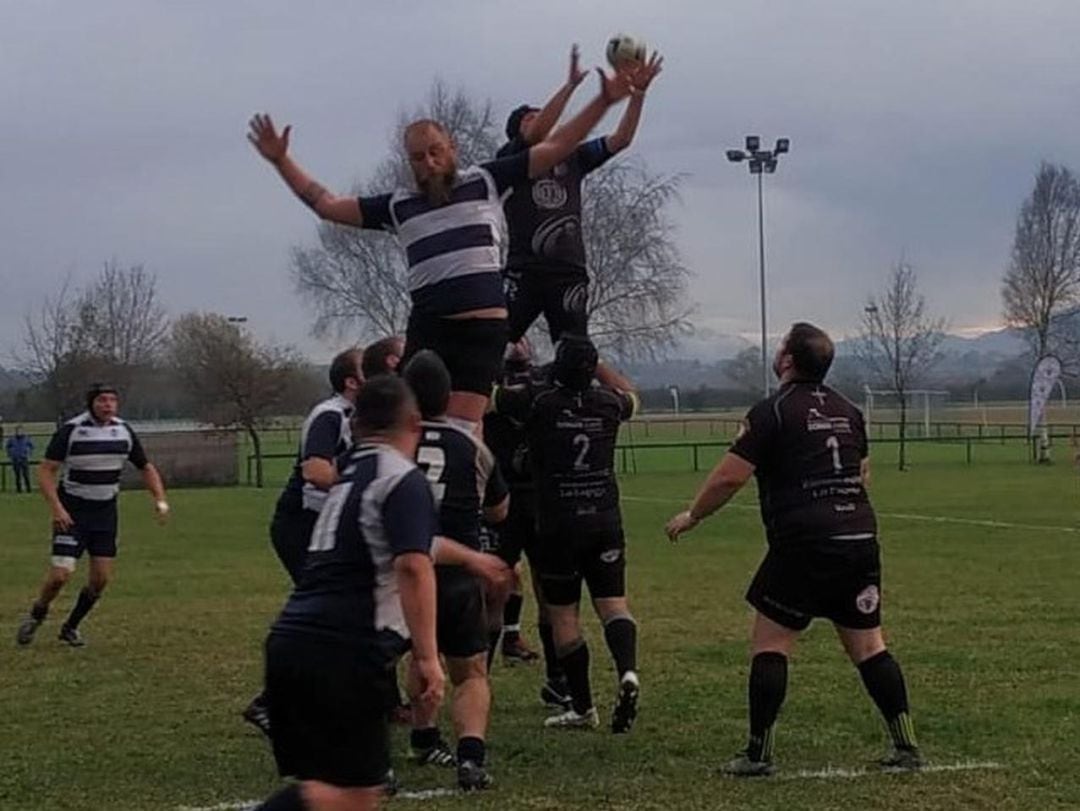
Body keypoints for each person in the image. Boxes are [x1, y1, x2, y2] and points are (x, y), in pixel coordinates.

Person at [247, 61, 634, 430]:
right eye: (418, 157)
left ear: (452, 149)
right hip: (430, 328)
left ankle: (475, 496)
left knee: (464, 429)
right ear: (409, 162)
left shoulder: (484, 181)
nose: (428, 163)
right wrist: (282, 161)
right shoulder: (399, 206)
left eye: (435, 152)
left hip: (481, 332)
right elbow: (328, 206)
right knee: (410, 423)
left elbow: (560, 145)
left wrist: (604, 100)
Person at [665, 322, 923, 776]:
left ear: (787, 360)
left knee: (772, 643)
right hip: (860, 538)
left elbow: (729, 477)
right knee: (868, 645)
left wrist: (694, 515)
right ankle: (906, 747)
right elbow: (862, 474)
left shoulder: (773, 411)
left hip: (804, 542)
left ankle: (758, 754)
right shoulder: (849, 410)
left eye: (781, 344)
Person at [254, 375, 443, 811]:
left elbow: (411, 546)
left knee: (323, 788)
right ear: (415, 423)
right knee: (351, 794)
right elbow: (414, 564)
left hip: (292, 641)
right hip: (342, 651)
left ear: (355, 425)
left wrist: (471, 559)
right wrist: (429, 658)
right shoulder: (402, 479)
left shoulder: (349, 477)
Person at [491, 336, 642, 733]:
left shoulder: (539, 403)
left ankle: (583, 706)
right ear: (591, 371)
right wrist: (597, 364)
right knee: (614, 605)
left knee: (564, 616)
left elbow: (489, 398)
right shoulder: (610, 404)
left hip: (558, 523)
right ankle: (628, 672)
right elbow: (631, 394)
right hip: (606, 519)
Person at [499, 48, 663, 345]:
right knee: (493, 343)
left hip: (567, 272)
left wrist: (638, 95)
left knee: (575, 353)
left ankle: (567, 390)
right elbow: (535, 135)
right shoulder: (511, 159)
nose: (542, 122)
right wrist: (570, 87)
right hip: (524, 270)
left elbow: (621, 139)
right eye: (530, 119)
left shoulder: (573, 158)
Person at [402, 350, 511, 790]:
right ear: (448, 397)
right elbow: (500, 511)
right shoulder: (470, 446)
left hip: (407, 571)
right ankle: (470, 758)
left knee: (416, 653)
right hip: (458, 574)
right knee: (471, 670)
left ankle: (424, 737)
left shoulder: (395, 442)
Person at [244, 348, 365, 735]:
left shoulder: (364, 416)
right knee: (329, 618)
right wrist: (361, 482)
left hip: (328, 527)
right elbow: (315, 471)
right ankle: (272, 703)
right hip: (302, 524)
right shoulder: (331, 414)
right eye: (369, 369)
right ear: (350, 381)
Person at [15, 384, 168, 648]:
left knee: (101, 580)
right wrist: (57, 508)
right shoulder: (71, 430)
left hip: (105, 513)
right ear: (91, 403)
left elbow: (146, 466)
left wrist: (160, 499)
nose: (107, 404)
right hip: (72, 513)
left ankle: (70, 627)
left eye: (112, 400)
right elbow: (46, 471)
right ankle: (37, 614)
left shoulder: (123, 431)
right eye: (101, 400)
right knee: (60, 576)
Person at [481, 339, 573, 708]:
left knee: (549, 587)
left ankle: (557, 680)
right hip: (497, 495)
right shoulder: (484, 376)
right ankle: (477, 680)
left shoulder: (546, 377)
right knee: (493, 584)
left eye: (521, 336)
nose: (517, 342)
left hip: (540, 496)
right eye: (509, 336)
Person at [6, 424, 34, 493]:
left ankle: (28, 490)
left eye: (21, 431)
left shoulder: (26, 438)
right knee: (17, 476)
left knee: (26, 475)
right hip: (15, 459)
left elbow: (32, 446)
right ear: (16, 431)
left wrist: (28, 453)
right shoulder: (12, 439)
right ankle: (19, 490)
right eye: (18, 431)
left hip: (24, 458)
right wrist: (10, 454)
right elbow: (7, 447)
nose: (19, 432)